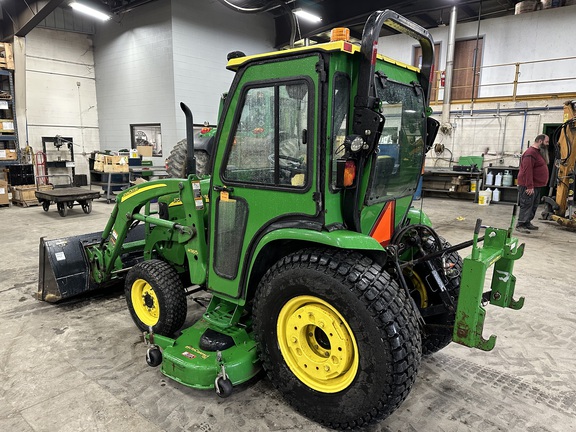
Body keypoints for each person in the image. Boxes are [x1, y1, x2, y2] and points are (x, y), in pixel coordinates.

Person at [516, 134, 550, 233]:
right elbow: (527, 171)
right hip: (528, 186)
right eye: (546, 142)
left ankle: (527, 222)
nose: (547, 144)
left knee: (533, 205)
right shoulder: (530, 153)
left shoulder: (538, 152)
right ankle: (521, 224)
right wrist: (529, 186)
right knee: (526, 204)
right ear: (540, 141)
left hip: (536, 185)